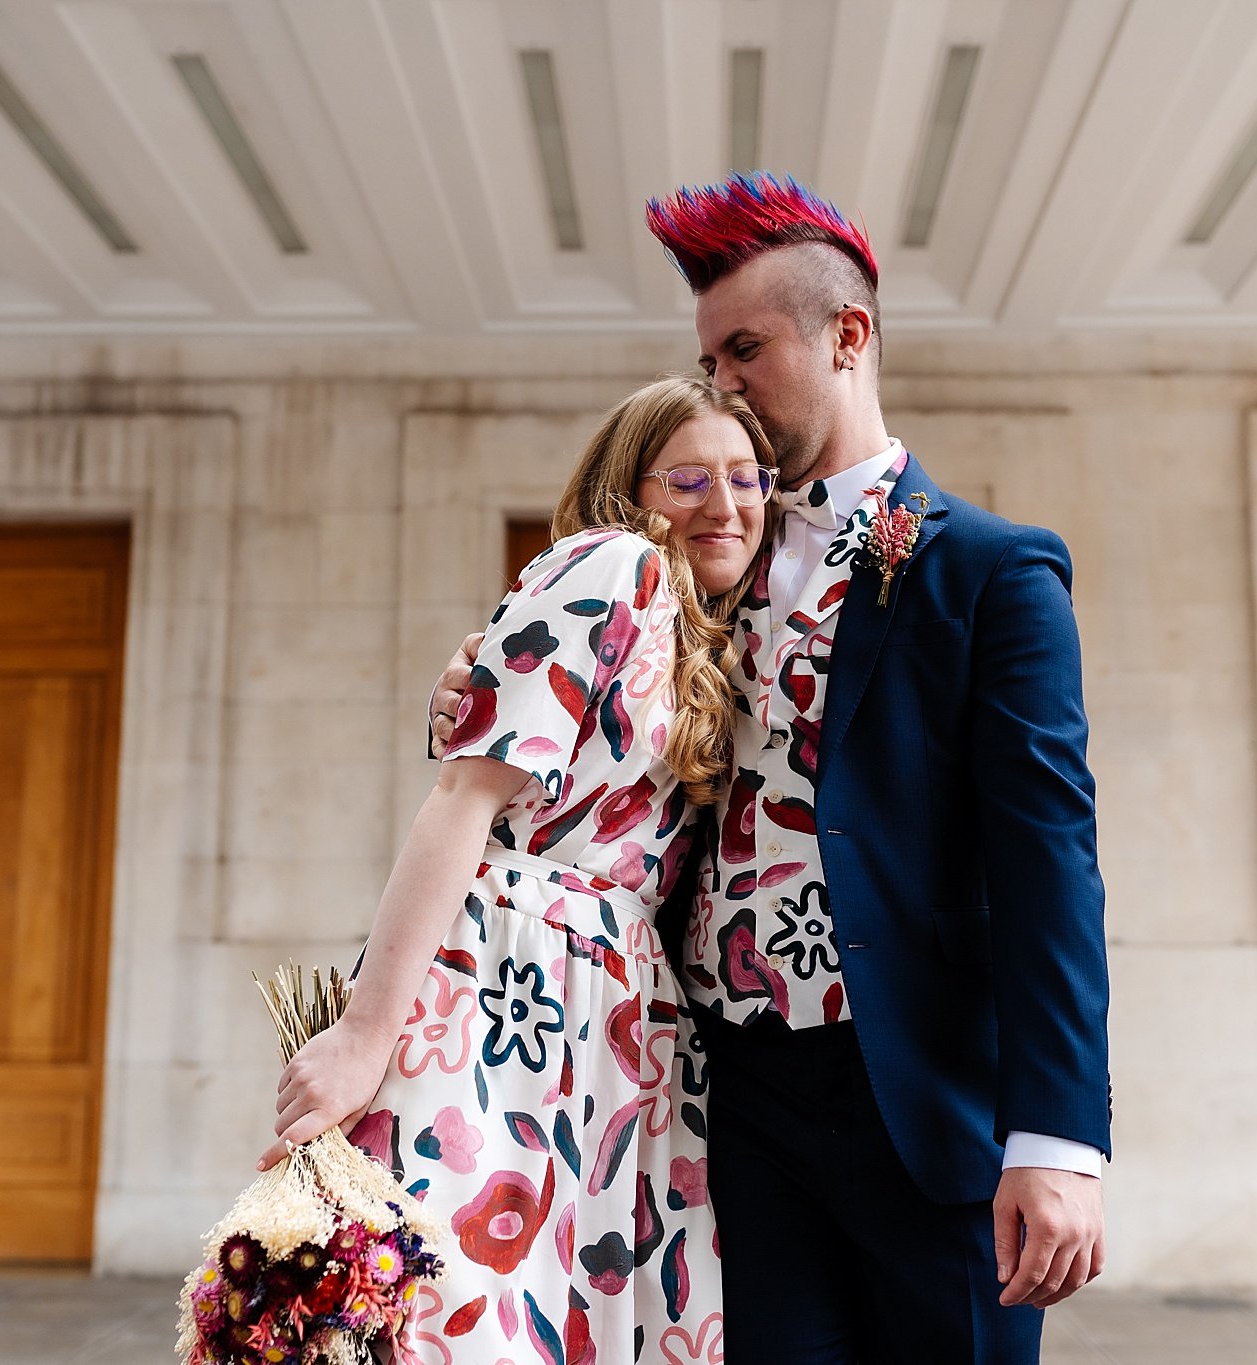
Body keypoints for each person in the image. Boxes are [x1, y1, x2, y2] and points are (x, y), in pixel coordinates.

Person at [430, 174, 1111, 1365]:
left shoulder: (989, 573)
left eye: (744, 347)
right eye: (707, 356)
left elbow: (1048, 861)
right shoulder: (700, 559)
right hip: (725, 1100)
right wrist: (467, 692)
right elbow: (589, 728)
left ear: (848, 335)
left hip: (917, 1098)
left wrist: (1053, 1141)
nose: (721, 383)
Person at [260, 375, 777, 1364]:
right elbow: (464, 798)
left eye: (747, 477)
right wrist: (364, 1036)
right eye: (689, 477)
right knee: (451, 1314)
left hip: (614, 1020)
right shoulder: (613, 565)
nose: (725, 502)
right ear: (630, 490)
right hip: (512, 990)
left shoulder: (704, 634)